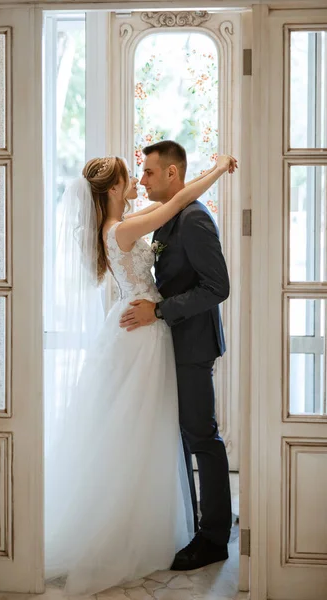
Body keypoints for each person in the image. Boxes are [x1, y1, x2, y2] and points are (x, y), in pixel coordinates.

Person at [45, 153, 236, 595]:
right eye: (133, 177)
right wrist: (219, 168)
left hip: (146, 327)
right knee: (142, 429)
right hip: (141, 332)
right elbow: (175, 202)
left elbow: (176, 206)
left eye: (146, 173)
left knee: (157, 429)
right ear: (113, 189)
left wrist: (209, 172)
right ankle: (144, 525)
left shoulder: (122, 224)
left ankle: (187, 526)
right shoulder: (123, 229)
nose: (139, 181)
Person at [120, 141, 235, 571]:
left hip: (192, 345)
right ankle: (192, 522)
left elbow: (217, 287)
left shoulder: (194, 219)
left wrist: (160, 310)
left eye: (149, 172)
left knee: (201, 436)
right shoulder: (168, 220)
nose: (143, 179)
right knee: (182, 437)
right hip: (170, 343)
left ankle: (215, 538)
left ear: (173, 174)